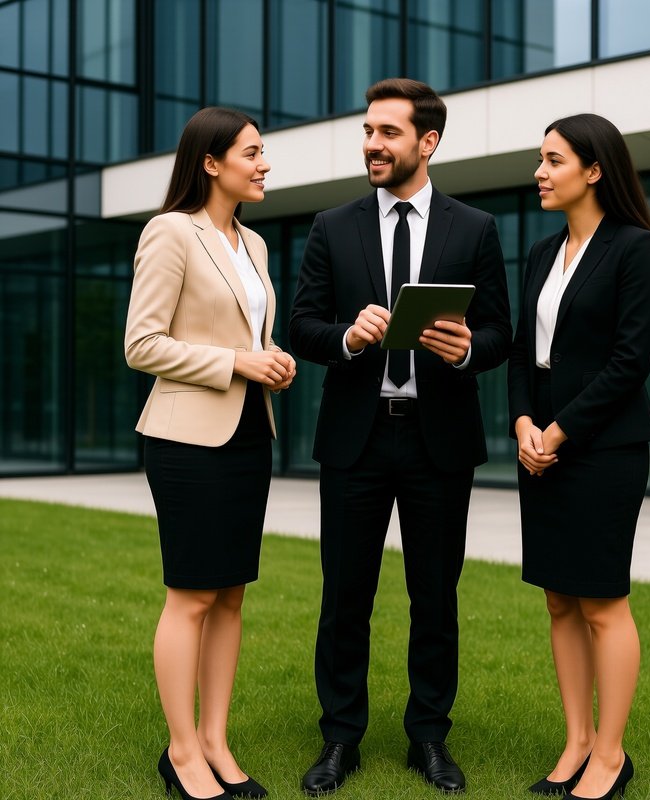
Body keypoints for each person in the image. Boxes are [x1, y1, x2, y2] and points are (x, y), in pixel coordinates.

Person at [289, 77, 511, 795]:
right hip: (355, 439)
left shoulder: (474, 229)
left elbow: (500, 331)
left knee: (435, 598)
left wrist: (467, 348)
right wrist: (349, 337)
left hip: (438, 440)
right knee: (344, 594)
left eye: (387, 133)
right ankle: (339, 740)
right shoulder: (332, 225)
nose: (371, 145)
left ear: (428, 141)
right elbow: (302, 326)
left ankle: (429, 738)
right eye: (367, 131)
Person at [125, 106, 296, 800]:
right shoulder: (171, 232)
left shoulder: (250, 245)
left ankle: (218, 743)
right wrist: (237, 362)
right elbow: (143, 344)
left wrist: (268, 360)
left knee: (230, 596)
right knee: (191, 595)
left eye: (263, 152)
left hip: (249, 434)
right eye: (252, 152)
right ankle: (182, 751)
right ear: (210, 162)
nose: (264, 164)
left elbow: (244, 339)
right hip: (184, 439)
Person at [507, 113, 650, 800]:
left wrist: (560, 432)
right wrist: (522, 423)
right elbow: (524, 351)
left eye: (553, 160)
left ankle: (610, 754)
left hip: (604, 450)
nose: (539, 173)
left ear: (594, 169)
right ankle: (576, 741)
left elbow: (630, 362)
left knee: (603, 603)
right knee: (558, 602)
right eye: (539, 160)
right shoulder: (542, 252)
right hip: (539, 446)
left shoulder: (635, 250)